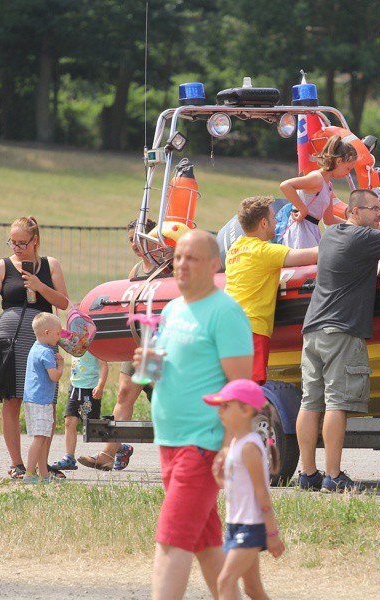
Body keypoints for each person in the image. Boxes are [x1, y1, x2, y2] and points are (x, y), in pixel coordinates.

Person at [135, 229, 254, 599]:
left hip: (202, 444)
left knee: (172, 540)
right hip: (170, 441)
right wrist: (149, 365)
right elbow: (174, 370)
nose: (182, 264)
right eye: (179, 257)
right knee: (205, 544)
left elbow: (241, 391)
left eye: (193, 258)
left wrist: (228, 448)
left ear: (215, 265)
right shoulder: (172, 309)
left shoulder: (226, 313)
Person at [297, 189, 380, 492]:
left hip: (312, 329)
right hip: (341, 329)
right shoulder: (365, 237)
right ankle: (333, 476)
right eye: (374, 209)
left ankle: (308, 474)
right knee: (336, 403)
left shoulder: (330, 234)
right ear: (355, 211)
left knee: (310, 402)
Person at [0, 216, 69, 479]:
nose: (16, 248)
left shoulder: (51, 265)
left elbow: (63, 301)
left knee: (46, 400)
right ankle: (17, 463)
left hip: (43, 341)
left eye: (22, 243)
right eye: (12, 242)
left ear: (35, 240)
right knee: (11, 399)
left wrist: (40, 286)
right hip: (11, 339)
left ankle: (42, 465)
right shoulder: (1, 267)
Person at [78, 219, 171, 471]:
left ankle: (181, 456)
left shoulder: (169, 266)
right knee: (124, 393)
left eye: (139, 239)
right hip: (138, 343)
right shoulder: (136, 270)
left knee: (165, 400)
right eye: (131, 240)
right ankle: (108, 454)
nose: (134, 244)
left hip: (164, 346)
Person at [225, 196, 319, 384]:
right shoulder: (266, 251)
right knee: (249, 386)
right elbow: (313, 255)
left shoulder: (235, 249)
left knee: (231, 383)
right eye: (273, 218)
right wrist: (344, 236)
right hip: (252, 326)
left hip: (229, 324)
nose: (276, 222)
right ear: (263, 223)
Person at [206, 379, 284, 600]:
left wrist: (272, 534)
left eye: (226, 406)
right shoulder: (235, 445)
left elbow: (262, 494)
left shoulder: (249, 447)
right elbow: (234, 486)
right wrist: (219, 475)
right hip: (235, 525)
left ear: (246, 410)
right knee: (253, 590)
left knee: (225, 581)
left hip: (251, 527)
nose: (220, 411)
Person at [278, 135, 356, 249]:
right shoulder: (317, 178)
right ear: (339, 161)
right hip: (300, 232)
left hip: (312, 231)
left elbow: (329, 219)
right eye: (348, 168)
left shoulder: (328, 186)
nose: (348, 173)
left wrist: (352, 225)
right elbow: (286, 186)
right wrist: (303, 210)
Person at [22, 312, 65, 484]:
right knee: (40, 438)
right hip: (41, 400)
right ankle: (29, 473)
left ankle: (43, 474)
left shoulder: (35, 348)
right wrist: (61, 366)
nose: (59, 337)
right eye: (57, 333)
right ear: (47, 332)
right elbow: (54, 377)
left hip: (32, 398)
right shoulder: (47, 352)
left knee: (42, 437)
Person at [49, 351, 108, 472]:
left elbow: (104, 366)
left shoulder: (95, 345)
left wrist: (100, 386)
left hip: (90, 390)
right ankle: (69, 458)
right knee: (69, 422)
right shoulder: (76, 345)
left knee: (94, 429)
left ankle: (118, 447)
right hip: (74, 388)